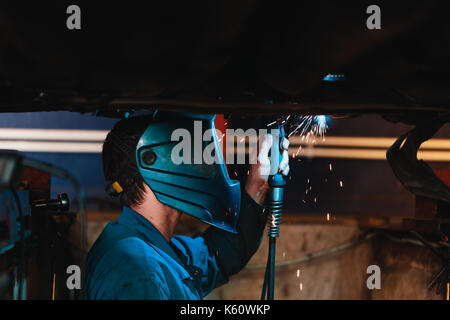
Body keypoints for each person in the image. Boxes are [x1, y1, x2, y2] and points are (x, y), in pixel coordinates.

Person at [84, 113, 289, 299]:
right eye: (184, 151)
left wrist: (257, 187)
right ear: (155, 162)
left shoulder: (153, 248)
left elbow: (217, 257)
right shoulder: (136, 268)